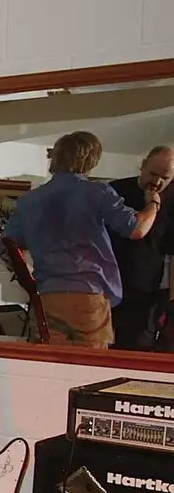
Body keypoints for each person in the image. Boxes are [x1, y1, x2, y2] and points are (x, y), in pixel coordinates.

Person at [1, 131, 160, 348]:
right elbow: (136, 229)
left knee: (48, 365)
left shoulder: (30, 200)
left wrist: (29, 279)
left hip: (47, 295)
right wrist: (153, 205)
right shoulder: (97, 192)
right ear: (90, 160)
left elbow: (8, 245)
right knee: (90, 368)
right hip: (88, 295)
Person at [108, 145, 174, 349]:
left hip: (145, 295)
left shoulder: (173, 201)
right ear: (143, 165)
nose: (157, 182)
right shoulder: (113, 191)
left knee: (137, 352)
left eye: (166, 177)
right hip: (106, 288)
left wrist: (172, 303)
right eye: (153, 174)